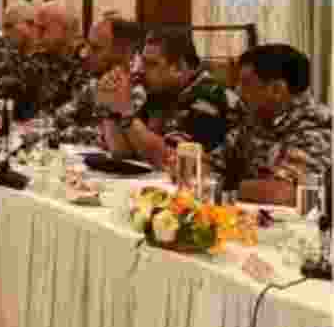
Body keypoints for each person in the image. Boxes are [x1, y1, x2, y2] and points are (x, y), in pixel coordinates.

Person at [99, 29, 241, 169]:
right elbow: (123, 151)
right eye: (143, 62)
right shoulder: (162, 93)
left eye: (151, 64)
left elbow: (169, 159)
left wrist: (126, 110)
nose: (141, 70)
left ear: (179, 67)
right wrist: (111, 106)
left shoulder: (209, 97)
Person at [210, 45, 332, 206]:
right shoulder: (257, 119)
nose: (238, 92)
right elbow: (213, 162)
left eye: (246, 84)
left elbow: (280, 192)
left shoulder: (317, 126)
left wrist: (218, 187)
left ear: (277, 90)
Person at [53, 16, 147, 146]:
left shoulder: (137, 88)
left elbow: (110, 142)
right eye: (87, 46)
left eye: (96, 48)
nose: (85, 54)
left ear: (124, 51)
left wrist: (73, 132)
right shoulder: (96, 81)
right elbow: (60, 116)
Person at [21, 0, 87, 114]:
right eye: (36, 28)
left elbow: (77, 111)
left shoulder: (87, 63)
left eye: (43, 29)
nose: (36, 35)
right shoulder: (36, 60)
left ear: (67, 29)